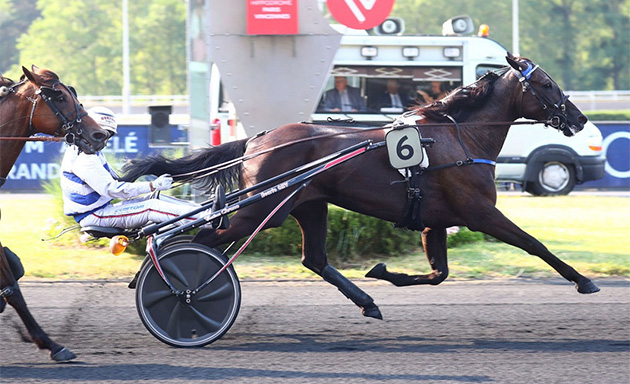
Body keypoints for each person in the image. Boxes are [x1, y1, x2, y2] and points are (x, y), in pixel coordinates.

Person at [60, 106, 212, 229]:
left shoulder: (91, 152)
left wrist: (150, 188)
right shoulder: (83, 157)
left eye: (109, 136)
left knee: (155, 197)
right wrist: (152, 185)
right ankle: (208, 219)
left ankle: (202, 210)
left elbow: (116, 183)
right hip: (95, 215)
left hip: (101, 210)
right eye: (102, 135)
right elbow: (113, 189)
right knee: (151, 207)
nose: (105, 141)